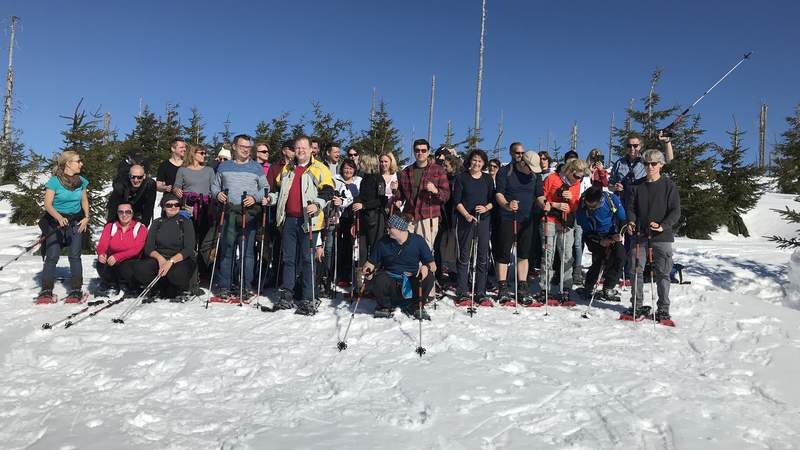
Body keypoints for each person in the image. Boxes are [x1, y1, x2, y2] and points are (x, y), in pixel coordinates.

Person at [266, 135, 334, 314]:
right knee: (288, 259)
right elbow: (280, 191)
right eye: (298, 148)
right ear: (294, 150)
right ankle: (287, 294)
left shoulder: (319, 168)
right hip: (289, 219)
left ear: (311, 149)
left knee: (307, 259)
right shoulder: (288, 168)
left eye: (304, 147)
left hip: (309, 221)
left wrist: (317, 203)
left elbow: (328, 191)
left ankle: (308, 297)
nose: (301, 150)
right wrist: (270, 199)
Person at [210, 134, 269, 299]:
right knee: (227, 251)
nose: (246, 150)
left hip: (248, 215)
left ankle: (245, 286)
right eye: (242, 146)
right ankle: (224, 286)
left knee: (247, 252)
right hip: (228, 213)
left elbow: (265, 187)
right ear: (234, 147)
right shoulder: (224, 166)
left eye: (248, 147)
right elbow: (214, 186)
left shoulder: (256, 167)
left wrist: (255, 198)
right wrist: (218, 194)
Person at [624, 149, 680, 321]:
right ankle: (637, 305)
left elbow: (675, 211)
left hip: (661, 236)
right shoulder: (637, 186)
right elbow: (631, 208)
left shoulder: (668, 185)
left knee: (663, 272)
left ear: (660, 165)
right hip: (639, 235)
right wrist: (631, 221)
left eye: (653, 163)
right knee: (635, 270)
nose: (650, 167)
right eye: (646, 163)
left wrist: (663, 226)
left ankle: (663, 308)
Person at [610, 133, 673, 281]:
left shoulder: (646, 161)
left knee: (636, 240)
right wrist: (614, 187)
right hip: (622, 204)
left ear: (640, 146)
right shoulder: (619, 163)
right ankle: (618, 270)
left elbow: (668, 160)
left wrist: (667, 142)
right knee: (620, 238)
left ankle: (635, 271)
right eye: (629, 145)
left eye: (635, 145)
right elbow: (610, 184)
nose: (632, 149)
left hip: (640, 205)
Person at [493, 145, 544, 303]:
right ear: (523, 163)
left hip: (527, 219)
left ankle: (522, 286)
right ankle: (502, 287)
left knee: (524, 253)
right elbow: (499, 194)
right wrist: (507, 204)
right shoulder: (505, 172)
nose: (532, 172)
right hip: (508, 216)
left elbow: (539, 196)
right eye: (531, 168)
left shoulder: (536, 176)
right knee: (504, 253)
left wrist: (545, 204)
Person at [37, 151, 90, 302]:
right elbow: (47, 204)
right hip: (55, 220)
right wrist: (59, 217)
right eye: (78, 161)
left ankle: (76, 289)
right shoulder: (54, 181)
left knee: (74, 255)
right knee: (52, 255)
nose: (81, 164)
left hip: (75, 221)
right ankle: (46, 290)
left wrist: (86, 217)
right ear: (68, 163)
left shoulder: (82, 181)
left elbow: (84, 201)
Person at [363, 214, 436, 320]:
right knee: (379, 278)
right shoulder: (383, 242)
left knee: (428, 277)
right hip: (391, 281)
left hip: (411, 282)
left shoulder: (417, 241)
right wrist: (367, 269)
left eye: (390, 228)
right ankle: (385, 306)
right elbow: (371, 263)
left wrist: (426, 267)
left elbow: (433, 266)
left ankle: (416, 306)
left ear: (400, 228)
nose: (387, 230)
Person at [132, 193, 196, 301]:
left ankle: (177, 288)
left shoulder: (185, 222)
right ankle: (159, 287)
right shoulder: (157, 222)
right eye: (169, 205)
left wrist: (170, 261)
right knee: (140, 269)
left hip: (180, 259)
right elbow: (149, 247)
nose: (173, 207)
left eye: (176, 204)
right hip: (160, 257)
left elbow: (189, 248)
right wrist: (160, 259)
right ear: (163, 207)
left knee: (176, 274)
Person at [541, 158, 588, 301]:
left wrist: (573, 200)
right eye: (576, 176)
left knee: (567, 255)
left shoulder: (577, 183)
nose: (578, 179)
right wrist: (555, 204)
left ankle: (566, 287)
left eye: (581, 177)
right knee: (548, 255)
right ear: (569, 171)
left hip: (566, 223)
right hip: (550, 220)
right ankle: (545, 288)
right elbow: (541, 199)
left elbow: (574, 206)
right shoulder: (552, 178)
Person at [396, 139, 450, 262]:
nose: (420, 153)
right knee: (406, 249)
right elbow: (401, 194)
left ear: (428, 152)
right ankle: (409, 279)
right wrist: (397, 197)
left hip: (428, 216)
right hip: (409, 216)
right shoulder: (406, 171)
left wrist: (435, 190)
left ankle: (425, 280)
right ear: (414, 152)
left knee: (425, 251)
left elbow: (446, 195)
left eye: (423, 150)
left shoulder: (438, 170)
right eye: (417, 150)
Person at [453, 149, 494, 305]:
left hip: (483, 220)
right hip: (466, 220)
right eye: (474, 160)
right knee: (464, 255)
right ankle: (463, 290)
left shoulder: (487, 179)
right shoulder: (461, 178)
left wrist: (486, 208)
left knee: (482, 256)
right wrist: (466, 215)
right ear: (470, 161)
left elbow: (493, 199)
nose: (477, 163)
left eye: (480, 161)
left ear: (484, 163)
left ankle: (480, 291)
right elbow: (457, 201)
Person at [575, 186, 626, 302]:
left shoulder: (610, 199)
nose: (591, 208)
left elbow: (623, 219)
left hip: (611, 233)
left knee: (620, 256)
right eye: (589, 205)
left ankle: (609, 286)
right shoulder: (583, 206)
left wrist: (618, 235)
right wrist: (600, 241)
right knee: (599, 259)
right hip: (594, 235)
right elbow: (586, 230)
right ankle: (589, 286)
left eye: (593, 206)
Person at [174, 144, 215, 280]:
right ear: (193, 154)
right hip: (189, 207)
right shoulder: (183, 170)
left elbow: (213, 187)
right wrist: (177, 190)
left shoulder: (209, 170)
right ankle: (189, 270)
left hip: (206, 207)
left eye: (205, 153)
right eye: (201, 153)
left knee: (204, 240)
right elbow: (177, 186)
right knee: (190, 240)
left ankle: (204, 271)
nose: (204, 155)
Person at [96, 202, 148, 296]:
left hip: (132, 260)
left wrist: (118, 256)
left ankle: (130, 285)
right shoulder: (111, 227)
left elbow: (137, 249)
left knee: (127, 267)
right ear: (117, 213)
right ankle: (111, 284)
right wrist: (101, 253)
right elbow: (102, 244)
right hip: (113, 260)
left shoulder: (140, 228)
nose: (124, 215)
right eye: (121, 212)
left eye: (128, 212)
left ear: (132, 213)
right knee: (102, 262)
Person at [352, 154, 386, 261]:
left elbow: (382, 200)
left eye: (361, 162)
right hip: (363, 218)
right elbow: (363, 196)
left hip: (375, 218)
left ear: (368, 163)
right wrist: (357, 201)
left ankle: (375, 271)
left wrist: (364, 205)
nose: (359, 164)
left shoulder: (378, 178)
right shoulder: (364, 178)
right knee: (362, 249)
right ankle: (361, 273)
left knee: (375, 246)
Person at [333, 158, 361, 286]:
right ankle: (337, 274)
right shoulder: (336, 180)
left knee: (349, 246)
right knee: (338, 246)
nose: (348, 170)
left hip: (351, 218)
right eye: (345, 168)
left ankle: (347, 275)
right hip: (337, 217)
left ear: (354, 170)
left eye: (350, 168)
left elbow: (356, 197)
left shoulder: (358, 182)